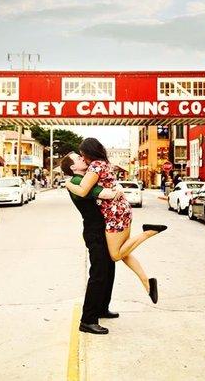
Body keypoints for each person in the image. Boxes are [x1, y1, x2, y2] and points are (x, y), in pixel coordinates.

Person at [65, 138, 166, 304]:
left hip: (114, 214)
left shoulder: (95, 166)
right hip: (121, 210)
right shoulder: (104, 163)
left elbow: (83, 191)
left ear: (88, 152)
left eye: (82, 154)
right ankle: (147, 283)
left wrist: (68, 184)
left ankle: (148, 232)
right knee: (125, 253)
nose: (82, 157)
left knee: (116, 254)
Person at [60, 153, 122, 335]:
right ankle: (87, 320)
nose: (82, 159)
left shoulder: (83, 178)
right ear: (73, 168)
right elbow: (107, 194)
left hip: (101, 230)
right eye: (78, 159)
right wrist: (116, 191)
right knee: (99, 273)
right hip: (94, 232)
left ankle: (102, 307)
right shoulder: (79, 182)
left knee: (109, 269)